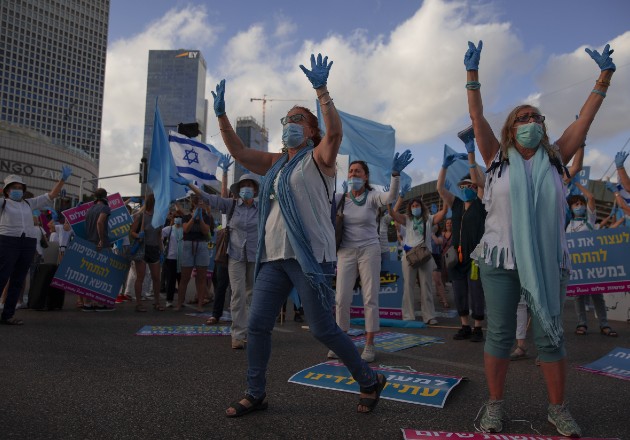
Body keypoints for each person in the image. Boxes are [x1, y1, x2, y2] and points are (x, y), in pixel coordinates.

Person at [211, 53, 386, 417]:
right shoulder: (277, 163)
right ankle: (256, 392)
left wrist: (321, 91)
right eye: (286, 119)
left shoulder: (320, 158)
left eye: (297, 119)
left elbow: (336, 132)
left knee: (323, 330)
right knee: (257, 326)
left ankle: (369, 379)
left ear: (310, 130)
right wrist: (221, 116)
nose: (289, 123)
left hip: (310, 257)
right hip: (273, 257)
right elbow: (239, 151)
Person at [464, 40, 616, 437]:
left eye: (536, 117)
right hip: (499, 260)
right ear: (510, 129)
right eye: (522, 117)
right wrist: (473, 77)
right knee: (499, 334)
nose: (530, 121)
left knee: (551, 334)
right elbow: (476, 116)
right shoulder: (495, 157)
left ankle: (558, 409)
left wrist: (603, 79)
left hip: (549, 260)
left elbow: (585, 121)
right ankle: (495, 406)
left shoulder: (555, 157)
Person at [332, 154, 410, 362]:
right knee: (341, 300)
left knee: (370, 299)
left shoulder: (374, 196)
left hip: (369, 250)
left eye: (357, 171)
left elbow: (389, 198)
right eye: (350, 171)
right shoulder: (340, 199)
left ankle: (369, 345)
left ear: (366, 177)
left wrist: (395, 175)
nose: (353, 174)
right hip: (345, 252)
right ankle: (342, 343)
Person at [173, 171, 260, 349]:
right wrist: (190, 184)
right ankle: (237, 334)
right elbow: (208, 197)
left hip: (255, 255)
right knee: (237, 294)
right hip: (235, 255)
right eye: (243, 186)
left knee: (252, 295)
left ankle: (252, 333)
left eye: (250, 186)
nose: (246, 189)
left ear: (256, 190)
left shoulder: (262, 207)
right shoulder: (231, 205)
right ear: (238, 190)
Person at [0, 167, 72, 324]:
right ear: (7, 191)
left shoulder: (29, 203)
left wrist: (63, 180)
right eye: (14, 188)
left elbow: (51, 195)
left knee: (17, 280)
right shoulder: (3, 203)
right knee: (2, 277)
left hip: (27, 243)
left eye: (20, 188)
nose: (17, 190)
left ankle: (7, 315)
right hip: (7, 241)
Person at [437, 146, 487, 342]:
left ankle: (477, 328)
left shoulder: (481, 204)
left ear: (475, 188)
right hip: (456, 259)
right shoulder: (456, 203)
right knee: (459, 293)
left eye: (470, 186)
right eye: (463, 186)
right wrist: (444, 167)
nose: (466, 189)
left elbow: (480, 181)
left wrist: (471, 157)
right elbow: (440, 188)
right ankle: (464, 325)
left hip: (475, 257)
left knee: (476, 293)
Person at [567, 185, 617, 338]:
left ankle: (604, 324)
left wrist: (576, 184)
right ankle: (582, 323)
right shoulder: (568, 225)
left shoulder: (590, 220)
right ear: (571, 208)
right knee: (578, 296)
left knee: (597, 294)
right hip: (576, 265)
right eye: (576, 204)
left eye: (581, 203)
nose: (579, 206)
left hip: (592, 264)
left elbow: (592, 198)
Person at [390, 194, 447, 324]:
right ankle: (408, 316)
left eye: (417, 205)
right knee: (408, 286)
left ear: (422, 207)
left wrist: (444, 196)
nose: (415, 207)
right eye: (413, 206)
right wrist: (395, 199)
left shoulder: (429, 219)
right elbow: (393, 214)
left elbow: (443, 213)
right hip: (409, 256)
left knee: (426, 285)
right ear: (410, 208)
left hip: (425, 255)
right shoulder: (407, 219)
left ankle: (429, 316)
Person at [174, 194, 213, 311]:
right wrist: (193, 217)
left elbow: (206, 231)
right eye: (199, 203)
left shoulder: (207, 217)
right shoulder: (186, 216)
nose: (201, 205)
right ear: (194, 204)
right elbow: (185, 229)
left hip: (201, 245)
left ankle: (200, 304)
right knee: (185, 277)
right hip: (188, 244)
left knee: (201, 278)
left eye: (202, 203)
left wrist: (200, 218)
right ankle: (179, 303)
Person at [129, 193, 164, 312]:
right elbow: (132, 232)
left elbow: (159, 236)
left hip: (154, 249)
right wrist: (138, 235)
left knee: (156, 278)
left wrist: (162, 251)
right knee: (141, 277)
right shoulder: (140, 216)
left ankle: (157, 302)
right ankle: (139, 303)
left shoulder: (159, 218)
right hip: (142, 248)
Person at [84, 187, 116, 311]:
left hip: (89, 243)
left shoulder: (90, 209)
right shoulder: (105, 208)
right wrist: (102, 240)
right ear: (105, 197)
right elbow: (100, 222)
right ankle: (101, 303)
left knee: (90, 274)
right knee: (102, 274)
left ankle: (87, 303)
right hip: (101, 245)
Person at [161, 209, 184, 308]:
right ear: (173, 219)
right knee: (171, 280)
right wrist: (162, 248)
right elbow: (159, 236)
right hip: (171, 258)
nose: (177, 219)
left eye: (179, 217)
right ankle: (169, 300)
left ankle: (181, 301)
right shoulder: (169, 229)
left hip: (183, 259)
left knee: (182, 280)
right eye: (176, 217)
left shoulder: (185, 229)